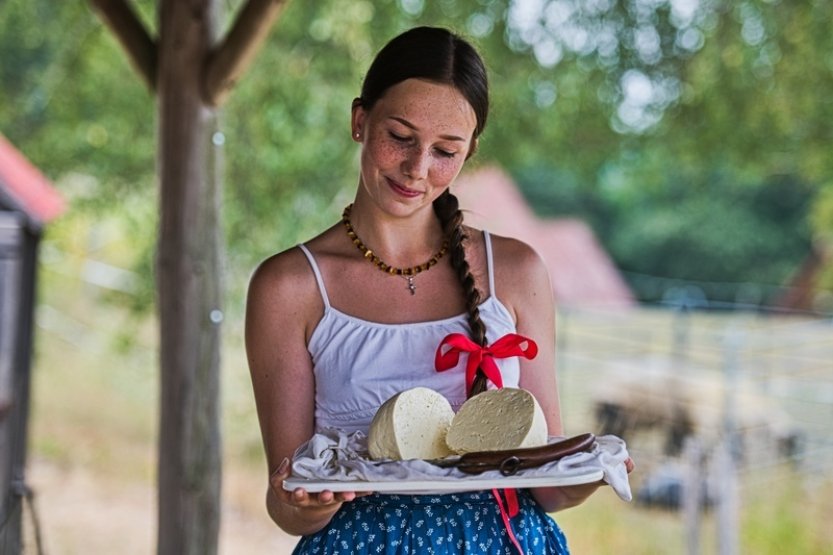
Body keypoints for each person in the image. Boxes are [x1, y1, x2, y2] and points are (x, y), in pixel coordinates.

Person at [246, 26, 630, 554]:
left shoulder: (515, 271)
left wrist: (587, 474)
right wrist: (309, 501)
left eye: (445, 151)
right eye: (400, 137)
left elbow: (543, 483)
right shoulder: (289, 286)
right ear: (360, 120)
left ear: (469, 151)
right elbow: (287, 506)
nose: (417, 168)